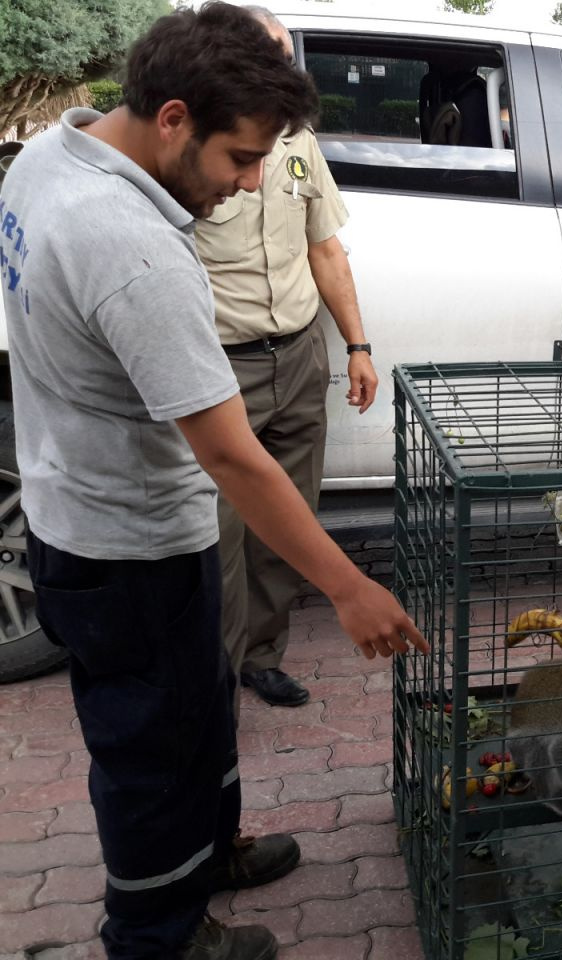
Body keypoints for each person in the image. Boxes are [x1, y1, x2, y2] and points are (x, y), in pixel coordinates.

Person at [0, 5, 427, 959]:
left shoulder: (50, 152)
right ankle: (159, 933)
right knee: (148, 749)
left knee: (200, 706)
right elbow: (234, 454)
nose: (251, 184)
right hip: (123, 542)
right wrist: (348, 587)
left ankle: (209, 854)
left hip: (100, 503)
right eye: (240, 158)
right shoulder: (135, 246)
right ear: (174, 118)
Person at [195, 6, 375, 709]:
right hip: (221, 364)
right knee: (218, 534)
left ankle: (261, 659)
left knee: (289, 520)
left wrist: (357, 346)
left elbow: (325, 248)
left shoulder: (297, 140)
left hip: (298, 355)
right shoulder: (197, 148)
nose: (280, 70)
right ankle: (214, 674)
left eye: (285, 58)